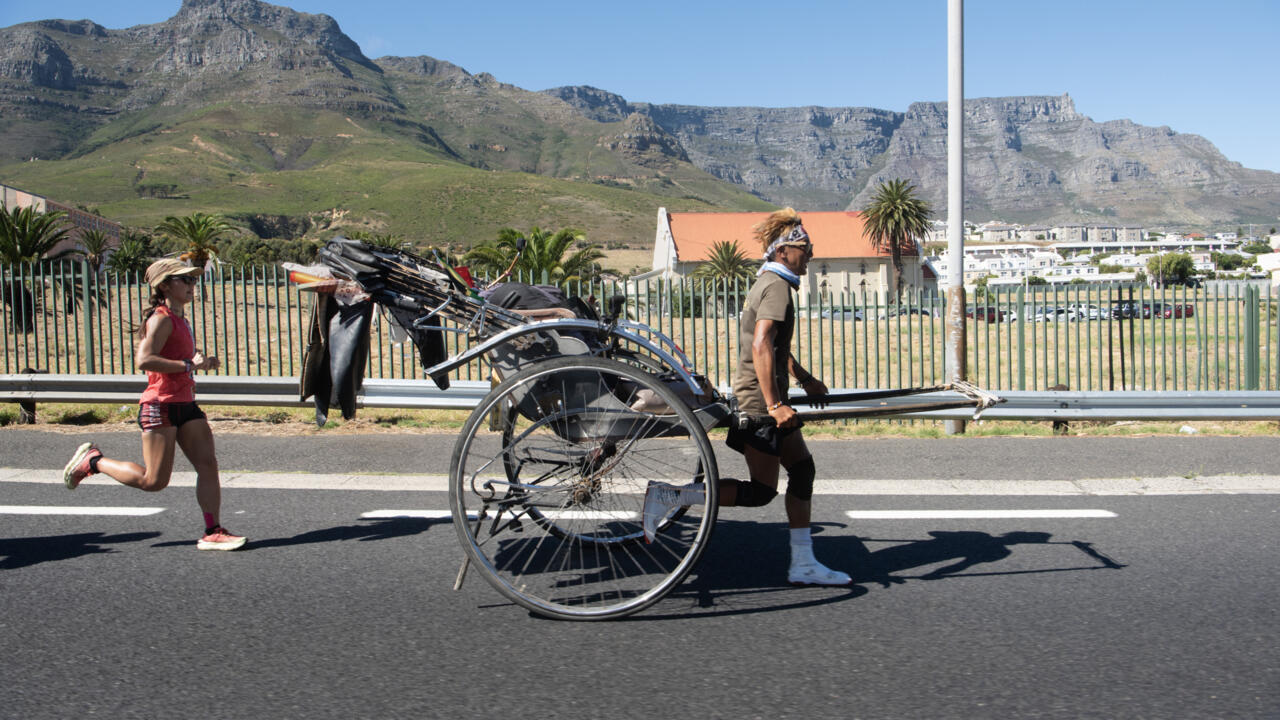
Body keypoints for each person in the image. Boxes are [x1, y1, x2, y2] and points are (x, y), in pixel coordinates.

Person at [643, 208, 850, 586]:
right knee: (760, 492)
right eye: (805, 247)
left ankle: (803, 563)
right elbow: (760, 344)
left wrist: (804, 380)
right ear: (783, 250)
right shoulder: (776, 287)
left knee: (802, 470)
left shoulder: (772, 281)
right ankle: (671, 496)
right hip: (759, 402)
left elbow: (775, 345)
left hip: (767, 396)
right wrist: (774, 405)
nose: (811, 253)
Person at [62, 258, 246, 551]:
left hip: (186, 403)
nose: (191, 285)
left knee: (208, 465)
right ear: (164, 285)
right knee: (154, 481)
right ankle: (94, 461)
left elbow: (178, 362)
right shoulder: (160, 318)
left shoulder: (180, 319)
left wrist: (201, 364)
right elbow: (144, 360)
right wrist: (188, 364)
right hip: (159, 405)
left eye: (193, 280)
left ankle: (213, 530)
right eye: (183, 280)